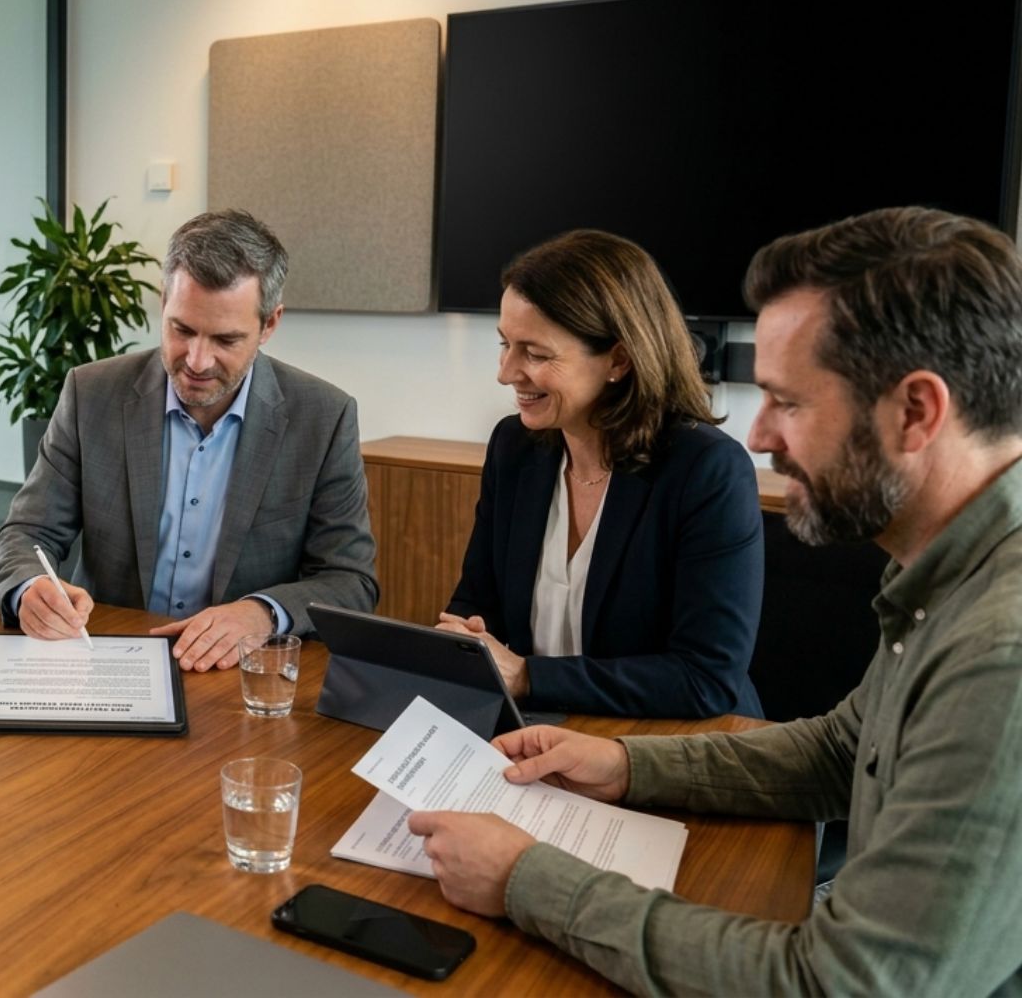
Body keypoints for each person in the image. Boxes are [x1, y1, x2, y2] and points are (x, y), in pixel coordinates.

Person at [408, 207, 1022, 993]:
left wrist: (529, 878)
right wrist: (623, 763)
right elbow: (838, 750)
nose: (759, 435)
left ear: (916, 412)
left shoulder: (997, 655)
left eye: (789, 402)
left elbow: (838, 983)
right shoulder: (953, 580)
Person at [0, 209, 377, 672]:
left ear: (269, 324)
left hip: (240, 678)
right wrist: (30, 588)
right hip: (108, 664)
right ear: (162, 301)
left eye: (225, 340)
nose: (196, 360)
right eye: (182, 329)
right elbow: (26, 533)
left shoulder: (322, 417)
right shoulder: (91, 394)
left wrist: (261, 613)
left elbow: (350, 580)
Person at [440, 230, 764, 717]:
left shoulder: (707, 470)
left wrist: (528, 675)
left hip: (669, 744)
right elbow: (476, 606)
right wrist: (461, 643)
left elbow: (704, 678)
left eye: (536, 353)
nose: (506, 372)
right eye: (505, 344)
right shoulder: (514, 447)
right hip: (537, 729)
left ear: (619, 358)